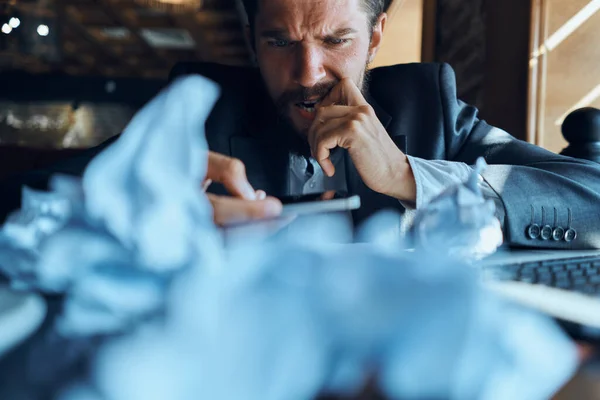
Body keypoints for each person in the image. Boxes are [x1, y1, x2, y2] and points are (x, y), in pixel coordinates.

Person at [1, 0, 600, 249]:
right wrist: (132, 207)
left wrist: (407, 174)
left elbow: (592, 195)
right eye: (279, 42)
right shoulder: (200, 117)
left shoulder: (432, 111)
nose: (307, 71)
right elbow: (19, 201)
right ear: (250, 43)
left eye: (336, 40)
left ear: (376, 38)